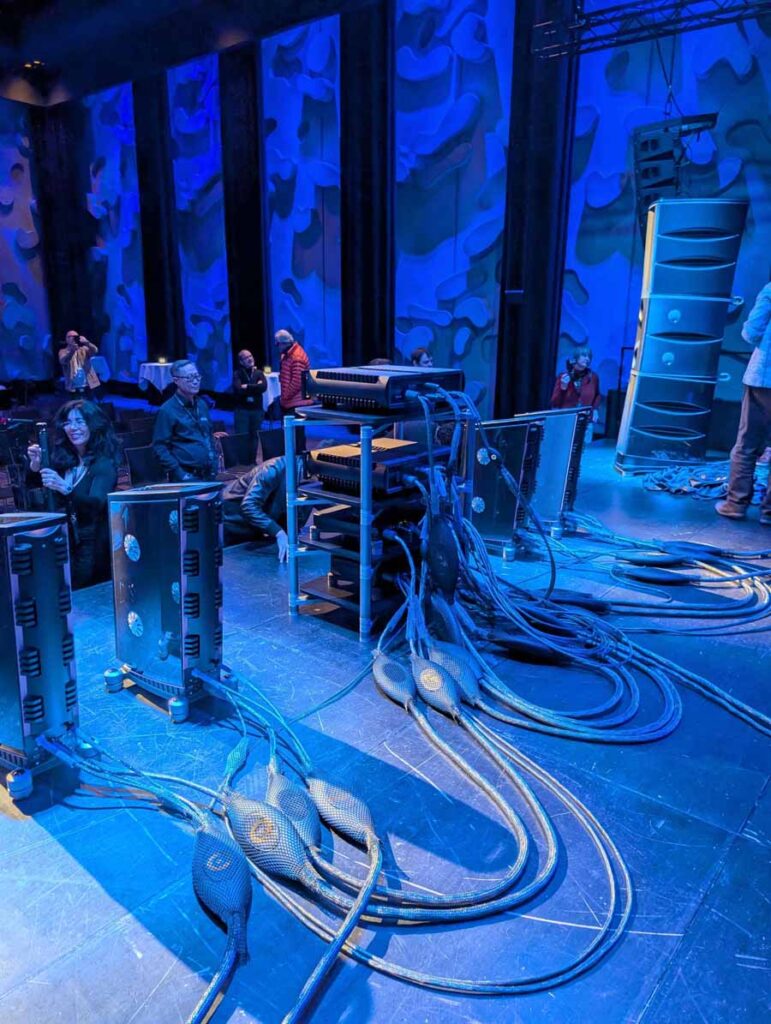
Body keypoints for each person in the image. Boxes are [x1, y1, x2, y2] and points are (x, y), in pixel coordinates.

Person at [26, 400, 120, 588]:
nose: (73, 428)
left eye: (79, 422)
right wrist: (36, 465)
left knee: (83, 590)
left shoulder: (104, 464)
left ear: (93, 425)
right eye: (68, 423)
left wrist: (66, 489)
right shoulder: (66, 458)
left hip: (93, 544)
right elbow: (36, 486)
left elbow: (95, 504)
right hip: (66, 539)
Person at [716, 280, 771, 525]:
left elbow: (750, 333)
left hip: (764, 379)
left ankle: (735, 504)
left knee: (747, 444)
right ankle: (769, 512)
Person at [222, 454, 305, 561]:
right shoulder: (273, 469)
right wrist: (278, 532)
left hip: (256, 528)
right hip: (233, 521)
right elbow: (249, 505)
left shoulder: (308, 477)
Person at [152, 359, 218, 481]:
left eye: (197, 376)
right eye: (190, 378)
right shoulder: (167, 410)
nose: (195, 381)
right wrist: (180, 473)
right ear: (176, 381)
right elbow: (159, 447)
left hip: (208, 473)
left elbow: (208, 435)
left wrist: (214, 461)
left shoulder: (202, 404)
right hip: (185, 475)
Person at [276, 329, 311, 449]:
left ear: (284, 343)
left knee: (297, 438)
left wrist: (285, 397)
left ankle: (299, 459)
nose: (277, 346)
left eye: (278, 343)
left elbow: (297, 382)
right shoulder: (287, 355)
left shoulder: (297, 357)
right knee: (290, 437)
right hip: (290, 402)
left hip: (296, 404)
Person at [550, 345, 602, 425]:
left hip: (585, 421)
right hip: (566, 421)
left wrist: (595, 410)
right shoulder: (563, 376)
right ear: (576, 357)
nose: (587, 359)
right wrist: (563, 388)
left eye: (589, 356)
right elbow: (555, 403)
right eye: (584, 355)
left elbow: (597, 395)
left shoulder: (593, 377)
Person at [232, 349, 267, 453]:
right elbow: (238, 389)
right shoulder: (237, 374)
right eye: (246, 358)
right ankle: (243, 460)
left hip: (256, 410)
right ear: (241, 362)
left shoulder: (258, 373)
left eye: (250, 356)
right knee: (242, 437)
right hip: (242, 410)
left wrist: (247, 386)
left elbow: (263, 387)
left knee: (254, 436)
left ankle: (252, 460)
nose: (250, 359)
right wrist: (256, 386)